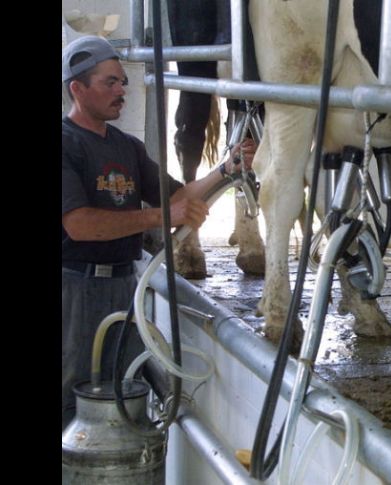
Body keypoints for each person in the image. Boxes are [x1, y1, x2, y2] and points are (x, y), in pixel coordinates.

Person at [61, 35, 257, 430]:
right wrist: (159, 217)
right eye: (110, 83)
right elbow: (79, 224)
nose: (122, 92)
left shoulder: (127, 146)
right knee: (72, 395)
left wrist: (227, 168)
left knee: (125, 389)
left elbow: (177, 196)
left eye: (123, 83)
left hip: (122, 284)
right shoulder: (67, 144)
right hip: (74, 288)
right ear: (77, 89)